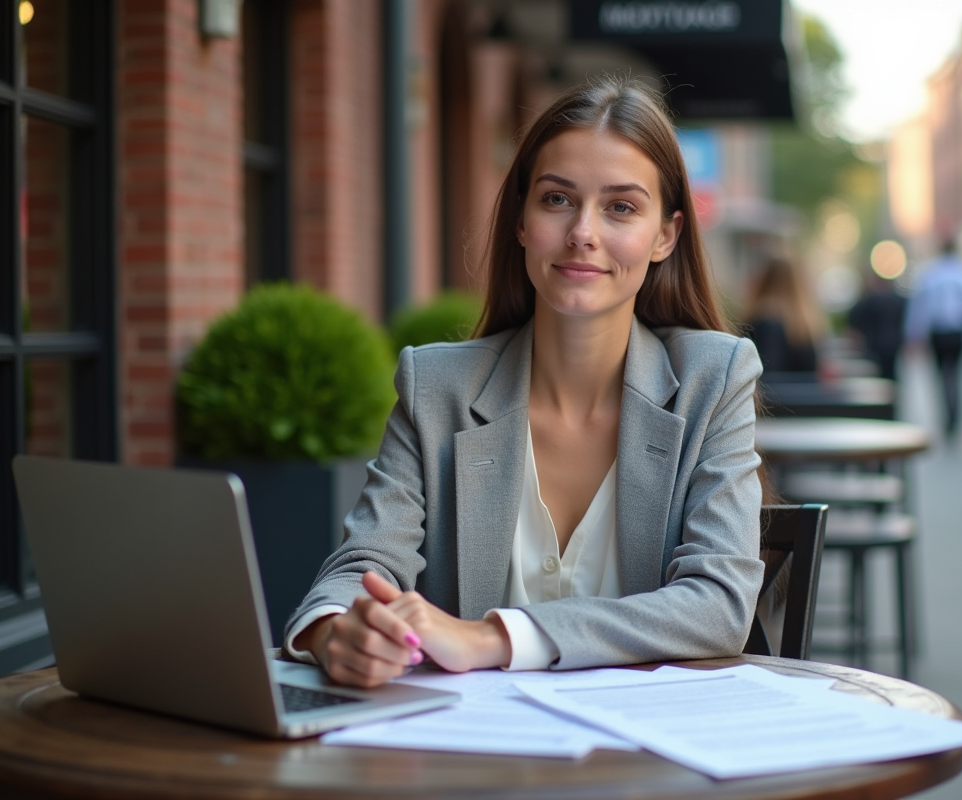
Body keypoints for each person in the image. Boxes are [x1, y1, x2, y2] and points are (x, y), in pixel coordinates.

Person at [285, 77, 765, 686]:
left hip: (650, 765)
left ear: (664, 236)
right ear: (520, 219)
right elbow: (364, 562)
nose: (582, 233)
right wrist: (338, 632)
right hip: (476, 765)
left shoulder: (712, 379)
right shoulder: (437, 387)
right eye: (557, 199)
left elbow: (719, 604)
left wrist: (492, 637)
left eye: (621, 207)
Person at [903, 237, 962, 442]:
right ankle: (955, 417)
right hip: (959, 332)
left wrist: (915, 335)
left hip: (938, 333)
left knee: (941, 377)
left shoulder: (930, 273)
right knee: (959, 376)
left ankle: (947, 415)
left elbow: (920, 308)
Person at [742, 257, 825, 376]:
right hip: (801, 393)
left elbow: (768, 375)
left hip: (772, 393)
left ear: (765, 279)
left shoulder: (764, 320)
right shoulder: (805, 325)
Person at [847, 272, 907, 381]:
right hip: (895, 342)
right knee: (893, 373)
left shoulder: (868, 300)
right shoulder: (899, 300)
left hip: (874, 343)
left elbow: (854, 319)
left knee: (877, 375)